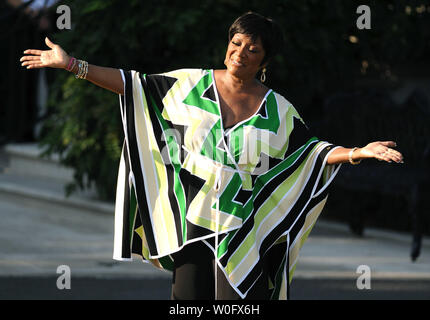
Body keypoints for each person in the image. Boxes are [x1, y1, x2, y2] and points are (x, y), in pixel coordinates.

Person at [20, 12, 404, 300]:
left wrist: (357, 152)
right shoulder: (191, 83)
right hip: (194, 223)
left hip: (243, 228)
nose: (241, 53)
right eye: (236, 44)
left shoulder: (279, 110)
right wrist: (72, 65)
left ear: (265, 60)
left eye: (252, 49)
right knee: (187, 302)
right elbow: (133, 85)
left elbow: (310, 152)